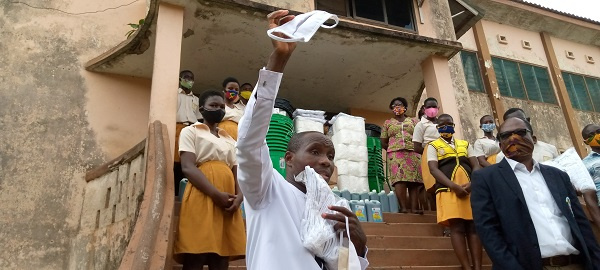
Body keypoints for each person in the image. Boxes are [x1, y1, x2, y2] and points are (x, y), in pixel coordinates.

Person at [236, 10, 368, 270]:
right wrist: (279, 60)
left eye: (330, 156)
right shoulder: (266, 189)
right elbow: (249, 141)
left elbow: (343, 267)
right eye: (315, 152)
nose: (325, 162)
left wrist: (357, 244)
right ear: (288, 159)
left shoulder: (335, 206)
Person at [471, 117, 600, 270]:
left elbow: (580, 223)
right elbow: (488, 231)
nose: (514, 139)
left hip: (575, 264)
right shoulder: (486, 179)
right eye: (506, 136)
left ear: (533, 138)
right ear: (500, 144)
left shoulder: (558, 175)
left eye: (520, 132)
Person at [174, 90, 246, 270]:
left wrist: (240, 196)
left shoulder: (229, 139)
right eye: (213, 106)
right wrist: (215, 194)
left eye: (221, 107)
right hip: (203, 193)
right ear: (202, 109)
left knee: (221, 256)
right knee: (197, 251)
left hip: (228, 198)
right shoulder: (190, 131)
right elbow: (188, 167)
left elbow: (237, 169)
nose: (219, 109)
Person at [427, 114, 482, 270]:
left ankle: (477, 267)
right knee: (457, 228)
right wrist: (453, 186)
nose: (447, 127)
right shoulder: (433, 146)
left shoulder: (464, 144)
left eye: (449, 124)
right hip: (447, 190)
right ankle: (466, 266)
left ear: (453, 125)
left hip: (469, 190)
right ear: (437, 128)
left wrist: (472, 183)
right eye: (442, 125)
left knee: (473, 227)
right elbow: (433, 169)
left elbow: (476, 165)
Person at [380, 97, 423, 214]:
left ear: (405, 107)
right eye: (394, 106)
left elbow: (420, 137)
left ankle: (414, 208)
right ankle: (403, 207)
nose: (397, 107)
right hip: (396, 154)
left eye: (399, 105)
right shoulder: (388, 123)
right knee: (399, 180)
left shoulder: (414, 121)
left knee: (414, 181)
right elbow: (383, 141)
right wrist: (392, 149)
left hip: (413, 153)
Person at [175, 70, 203, 195]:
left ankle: (187, 192)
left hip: (192, 129)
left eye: (191, 78)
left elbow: (199, 117)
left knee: (191, 161)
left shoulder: (196, 99)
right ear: (180, 78)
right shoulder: (175, 94)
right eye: (186, 77)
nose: (189, 80)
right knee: (177, 161)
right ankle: (176, 191)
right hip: (177, 128)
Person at [413, 97, 440, 210]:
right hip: (428, 157)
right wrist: (430, 152)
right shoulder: (421, 125)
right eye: (429, 107)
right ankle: (435, 212)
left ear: (438, 108)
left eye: (434, 106)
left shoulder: (442, 122)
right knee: (432, 184)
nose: (432, 109)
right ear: (424, 109)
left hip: (445, 155)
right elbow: (417, 147)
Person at [582, 124, 600, 231]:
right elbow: (589, 197)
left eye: (598, 131)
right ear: (586, 142)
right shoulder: (584, 165)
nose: (597, 135)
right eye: (591, 135)